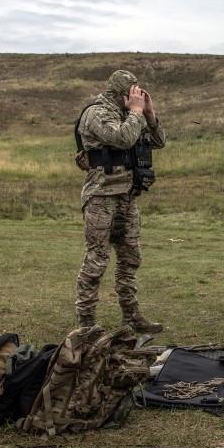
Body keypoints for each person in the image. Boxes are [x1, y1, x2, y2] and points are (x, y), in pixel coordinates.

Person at [74, 70, 166, 333]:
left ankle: (131, 316)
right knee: (97, 259)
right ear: (119, 93)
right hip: (101, 196)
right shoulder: (97, 113)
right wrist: (136, 113)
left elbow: (158, 142)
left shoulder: (131, 115)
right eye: (132, 93)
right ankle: (87, 324)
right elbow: (122, 139)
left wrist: (148, 114)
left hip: (127, 196)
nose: (136, 97)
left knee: (130, 258)